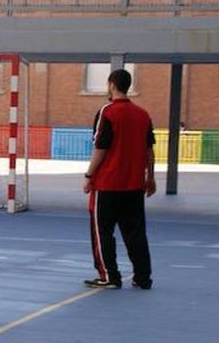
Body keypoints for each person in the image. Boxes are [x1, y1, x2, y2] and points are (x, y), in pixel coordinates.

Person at [82, 69, 156, 290]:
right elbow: (149, 149)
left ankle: (109, 275)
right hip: (134, 186)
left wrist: (89, 175)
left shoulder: (107, 112)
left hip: (107, 185)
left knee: (103, 232)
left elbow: (101, 148)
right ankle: (143, 277)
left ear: (111, 84)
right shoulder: (143, 115)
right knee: (136, 233)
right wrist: (150, 177)